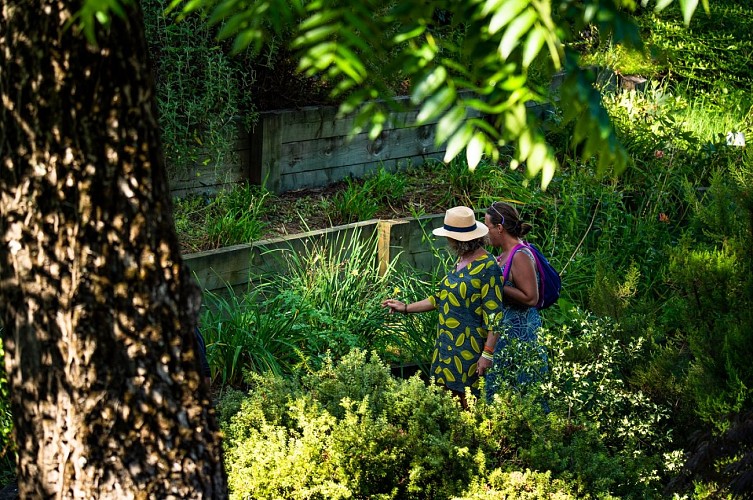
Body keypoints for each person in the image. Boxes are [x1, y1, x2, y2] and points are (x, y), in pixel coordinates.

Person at [382, 206, 504, 408]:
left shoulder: (488, 267)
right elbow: (439, 298)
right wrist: (405, 307)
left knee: (467, 406)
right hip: (447, 348)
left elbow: (494, 317)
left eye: (449, 237)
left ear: (460, 240)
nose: (447, 241)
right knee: (445, 405)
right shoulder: (461, 261)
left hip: (470, 352)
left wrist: (487, 354)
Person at [483, 201, 549, 400]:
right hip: (506, 335)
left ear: (500, 228)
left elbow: (531, 297)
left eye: (488, 227)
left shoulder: (520, 254)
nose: (486, 233)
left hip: (522, 336)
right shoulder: (504, 255)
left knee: (525, 396)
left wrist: (498, 286)